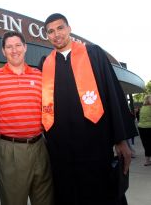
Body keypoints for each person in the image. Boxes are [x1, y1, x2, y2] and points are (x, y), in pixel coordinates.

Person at [39, 13, 138, 205]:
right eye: (50, 31)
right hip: (61, 149)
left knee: (100, 193)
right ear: (47, 36)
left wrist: (120, 139)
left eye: (60, 28)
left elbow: (112, 95)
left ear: (69, 29)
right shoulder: (46, 64)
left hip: (96, 143)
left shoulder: (93, 54)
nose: (56, 34)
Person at [0, 31, 54, 205]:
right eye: (9, 46)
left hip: (40, 146)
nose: (14, 50)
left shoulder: (40, 76)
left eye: (18, 45)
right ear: (3, 51)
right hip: (9, 149)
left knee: (45, 200)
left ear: (25, 47)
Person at [137, 95, 151, 166]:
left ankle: (147, 161)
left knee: (146, 144)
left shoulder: (142, 108)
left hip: (141, 128)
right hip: (149, 128)